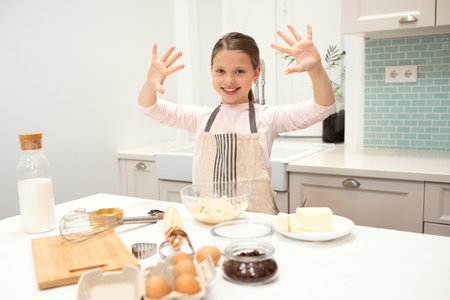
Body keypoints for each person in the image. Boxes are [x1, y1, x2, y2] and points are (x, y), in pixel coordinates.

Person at [138, 25, 336, 214]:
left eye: (239, 71)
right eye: (221, 71)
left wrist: (316, 70)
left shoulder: (268, 117)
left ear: (256, 73)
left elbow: (323, 107)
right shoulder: (201, 118)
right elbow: (149, 108)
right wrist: (150, 83)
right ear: (211, 71)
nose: (229, 80)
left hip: (256, 223)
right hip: (209, 220)